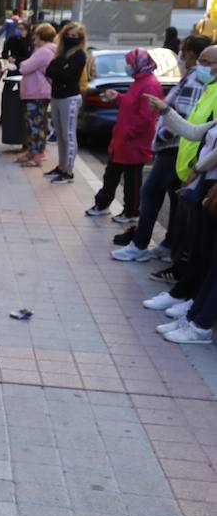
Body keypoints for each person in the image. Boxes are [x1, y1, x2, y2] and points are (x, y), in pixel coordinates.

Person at [114, 36, 215, 260]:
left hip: (176, 148)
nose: (181, 56)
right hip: (180, 150)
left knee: (151, 193)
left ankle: (141, 245)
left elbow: (189, 122)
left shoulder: (198, 82)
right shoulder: (198, 81)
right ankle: (170, 246)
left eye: (207, 62)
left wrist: (163, 137)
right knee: (175, 200)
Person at [145, 88, 217, 342]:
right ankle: (195, 314)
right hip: (208, 189)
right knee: (204, 252)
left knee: (210, 256)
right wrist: (166, 110)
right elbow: (195, 132)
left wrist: (197, 169)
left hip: (209, 184)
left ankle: (200, 323)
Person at [85, 49, 164, 221]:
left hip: (133, 142)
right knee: (112, 174)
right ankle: (103, 203)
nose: (127, 67)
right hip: (123, 140)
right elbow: (130, 104)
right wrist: (117, 97)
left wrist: (128, 134)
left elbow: (146, 117)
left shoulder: (149, 84)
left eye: (129, 63)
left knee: (132, 179)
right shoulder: (138, 81)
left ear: (139, 64)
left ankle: (131, 211)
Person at [44, 22, 89, 183]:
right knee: (60, 136)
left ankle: (68, 171)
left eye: (74, 36)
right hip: (56, 96)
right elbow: (49, 71)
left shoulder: (79, 55)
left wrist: (59, 70)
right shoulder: (61, 53)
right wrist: (60, 69)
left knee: (68, 135)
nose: (71, 39)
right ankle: (61, 166)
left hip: (69, 98)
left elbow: (68, 74)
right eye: (68, 35)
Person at [16, 23, 57, 168]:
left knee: (35, 124)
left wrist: (22, 63)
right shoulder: (49, 50)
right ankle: (32, 152)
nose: (34, 38)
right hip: (39, 91)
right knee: (35, 123)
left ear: (40, 36)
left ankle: (37, 155)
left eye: (36, 36)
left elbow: (24, 67)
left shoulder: (44, 52)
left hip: (37, 92)